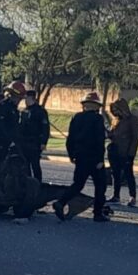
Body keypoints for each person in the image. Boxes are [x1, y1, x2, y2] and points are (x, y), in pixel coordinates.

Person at [53, 92, 109, 222]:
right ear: (96, 106)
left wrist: (71, 155)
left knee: (78, 184)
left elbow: (70, 139)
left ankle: (61, 202)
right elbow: (99, 140)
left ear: (84, 105)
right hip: (94, 158)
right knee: (100, 186)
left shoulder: (76, 118)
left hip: (80, 157)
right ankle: (97, 213)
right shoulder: (98, 119)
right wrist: (100, 159)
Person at [107, 98, 138, 207]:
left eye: (117, 109)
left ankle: (133, 197)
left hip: (126, 153)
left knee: (128, 174)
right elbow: (112, 134)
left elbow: (135, 138)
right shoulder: (116, 120)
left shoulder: (133, 120)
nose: (115, 111)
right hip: (114, 151)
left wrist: (131, 155)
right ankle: (116, 196)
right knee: (115, 174)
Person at [19, 90, 50, 181]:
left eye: (26, 98)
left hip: (35, 142)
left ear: (31, 98)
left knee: (35, 165)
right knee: (25, 165)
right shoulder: (24, 111)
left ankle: (37, 184)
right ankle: (27, 184)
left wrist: (44, 142)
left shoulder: (40, 111)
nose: (25, 100)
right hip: (24, 142)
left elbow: (45, 127)